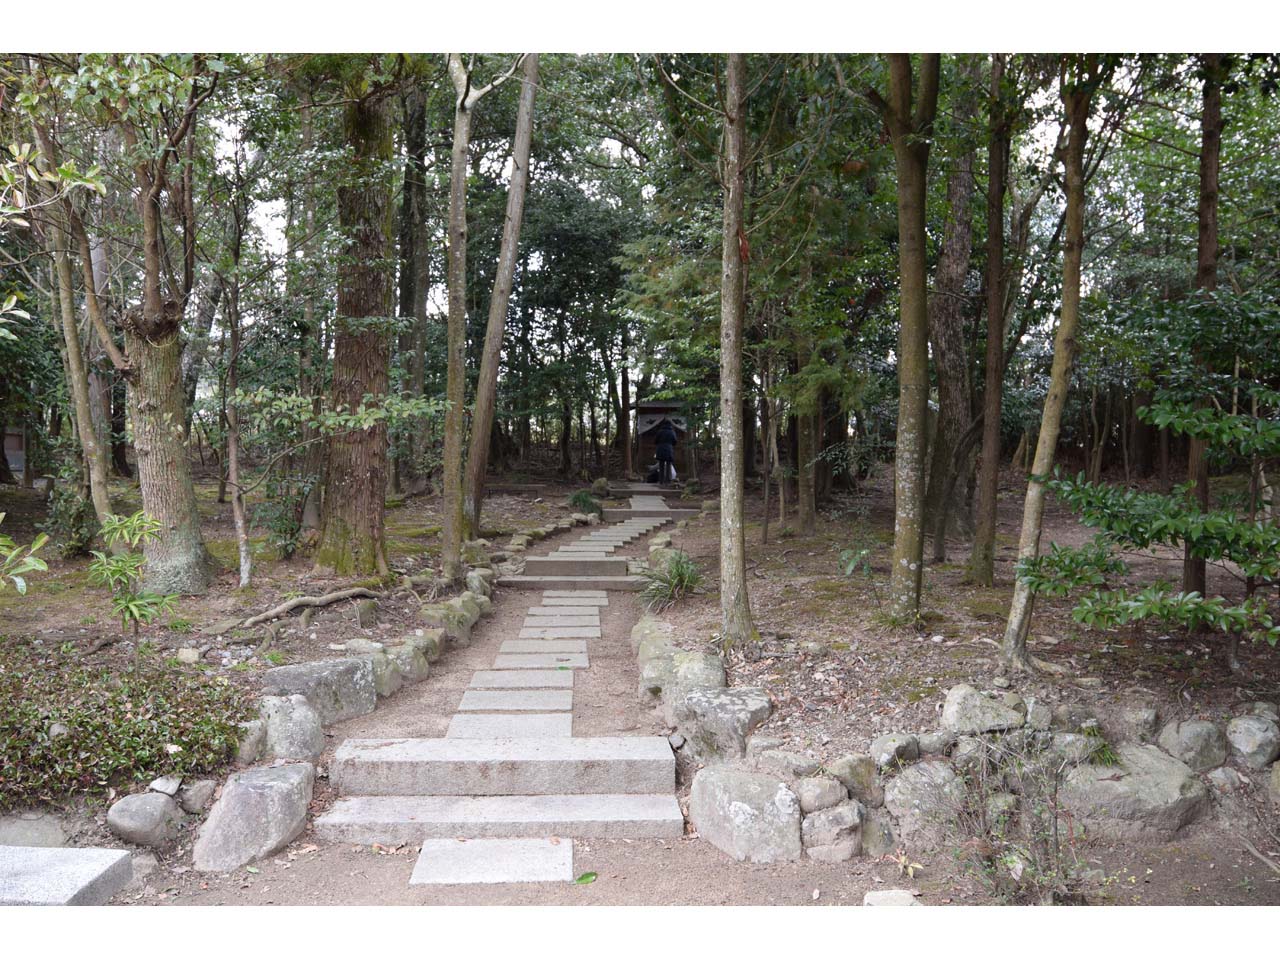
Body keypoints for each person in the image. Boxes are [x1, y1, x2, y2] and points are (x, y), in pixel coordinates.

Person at [654, 418, 678, 485]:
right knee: (668, 465)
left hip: (660, 449)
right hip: (669, 449)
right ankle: (668, 481)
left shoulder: (660, 431)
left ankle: (661, 481)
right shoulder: (672, 432)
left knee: (661, 465)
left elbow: (655, 441)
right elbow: (675, 441)